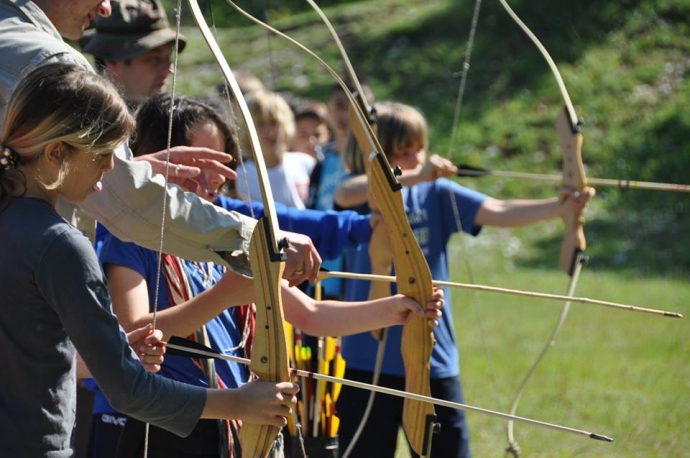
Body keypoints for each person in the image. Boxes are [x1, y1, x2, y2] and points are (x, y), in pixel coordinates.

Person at [82, 91, 445, 457]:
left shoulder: (220, 232)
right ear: (162, 164)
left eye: (221, 173)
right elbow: (135, 332)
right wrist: (224, 296)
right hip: (168, 427)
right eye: (198, 170)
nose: (212, 185)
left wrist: (401, 308)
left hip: (237, 423)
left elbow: (310, 315)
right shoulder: (130, 235)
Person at [0, 61, 303, 457]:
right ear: (57, 153)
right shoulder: (59, 244)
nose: (113, 168)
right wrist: (242, 403)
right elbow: (129, 390)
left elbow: (28, 345)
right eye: (105, 153)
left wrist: (117, 346)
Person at [334, 101, 595, 458]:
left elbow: (498, 210)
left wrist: (560, 207)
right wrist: (417, 173)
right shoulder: (361, 196)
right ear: (376, 153)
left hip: (431, 356)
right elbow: (345, 193)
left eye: (419, 149)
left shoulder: (435, 194)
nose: (415, 158)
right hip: (367, 361)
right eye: (402, 151)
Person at [0, 0, 320, 284]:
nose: (106, 8)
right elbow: (128, 199)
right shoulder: (44, 59)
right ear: (113, 63)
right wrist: (256, 239)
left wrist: (122, 167)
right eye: (152, 58)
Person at [79, 0, 185, 110]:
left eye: (168, 57)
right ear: (112, 60)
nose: (169, 70)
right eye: (154, 59)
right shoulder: (82, 120)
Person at [235, 90, 316, 209]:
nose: (268, 131)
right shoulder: (241, 177)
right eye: (260, 124)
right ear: (246, 129)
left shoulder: (307, 164)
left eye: (273, 123)